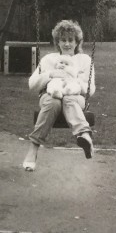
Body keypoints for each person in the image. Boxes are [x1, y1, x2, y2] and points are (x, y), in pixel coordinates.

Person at [22, 20, 97, 171]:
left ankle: (84, 136)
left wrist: (73, 82)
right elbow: (32, 84)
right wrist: (51, 74)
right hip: (51, 95)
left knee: (69, 99)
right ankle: (33, 150)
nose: (67, 44)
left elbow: (90, 88)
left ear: (77, 42)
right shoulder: (49, 59)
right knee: (53, 102)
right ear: (57, 42)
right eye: (63, 40)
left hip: (74, 96)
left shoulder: (85, 60)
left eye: (71, 40)